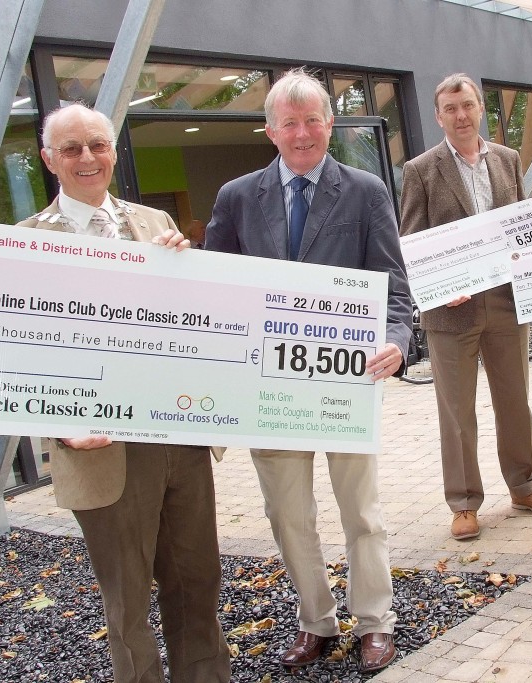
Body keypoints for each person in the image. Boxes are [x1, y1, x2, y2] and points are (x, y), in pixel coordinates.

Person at [204, 69, 412, 673]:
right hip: (271, 391)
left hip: (347, 387)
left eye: (313, 120)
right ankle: (316, 622)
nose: (302, 134)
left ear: (330, 124)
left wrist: (396, 340)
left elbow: (394, 290)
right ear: (269, 130)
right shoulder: (237, 198)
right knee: (288, 518)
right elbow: (215, 292)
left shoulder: (367, 191)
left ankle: (376, 623)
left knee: (362, 514)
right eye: (289, 123)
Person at [18, 103, 231, 683]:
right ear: (49, 160)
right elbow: (18, 358)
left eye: (97, 144)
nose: (87, 158)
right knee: (128, 601)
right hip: (101, 448)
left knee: (196, 580)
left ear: (114, 150)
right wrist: (60, 426)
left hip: (179, 436)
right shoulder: (23, 245)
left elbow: (193, 322)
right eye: (71, 149)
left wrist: (190, 275)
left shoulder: (153, 223)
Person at [399, 73, 532, 541]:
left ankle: (526, 486)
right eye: (451, 109)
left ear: (479, 108)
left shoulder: (508, 160)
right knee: (457, 410)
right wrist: (438, 283)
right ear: (439, 116)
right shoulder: (421, 169)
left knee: (515, 400)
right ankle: (465, 502)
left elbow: (522, 223)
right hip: (451, 309)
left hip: (507, 300)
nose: (461, 115)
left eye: (468, 105)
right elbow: (411, 239)